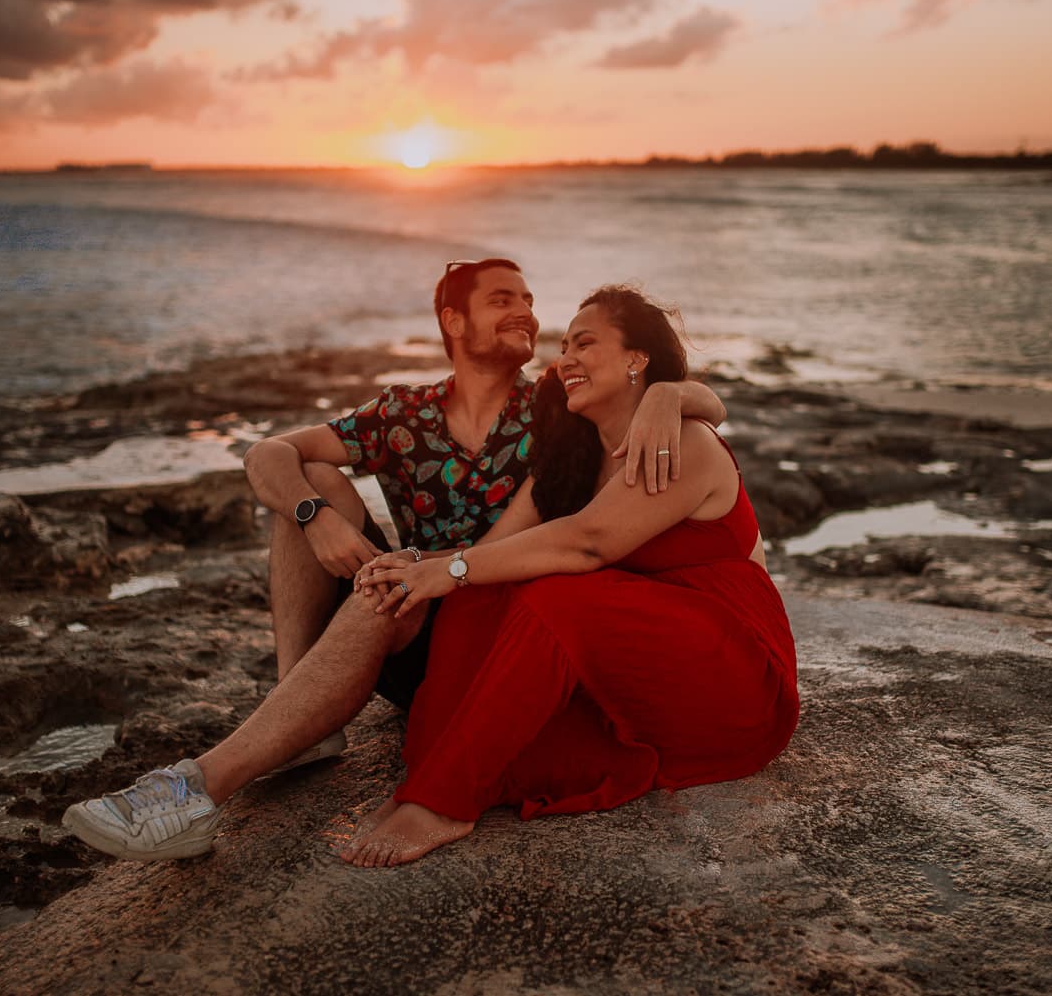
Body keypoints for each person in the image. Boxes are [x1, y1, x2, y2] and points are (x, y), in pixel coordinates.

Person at [62, 260, 727, 861]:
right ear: (453, 319)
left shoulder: (556, 406)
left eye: (529, 298)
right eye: (503, 299)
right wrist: (313, 518)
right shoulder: (405, 412)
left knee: (385, 588)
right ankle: (303, 718)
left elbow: (675, 403)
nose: (526, 311)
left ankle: (198, 787)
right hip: (428, 600)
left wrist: (673, 393)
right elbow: (267, 454)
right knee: (313, 478)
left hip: (489, 608)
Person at [340, 285, 799, 867]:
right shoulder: (574, 456)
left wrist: (676, 396)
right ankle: (435, 772)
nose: (566, 359)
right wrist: (423, 565)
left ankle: (445, 802)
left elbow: (588, 543)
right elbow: (496, 551)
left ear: (637, 359)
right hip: (643, 668)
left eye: (586, 342)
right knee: (480, 594)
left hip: (731, 679)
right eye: (564, 347)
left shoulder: (686, 442)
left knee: (555, 595)